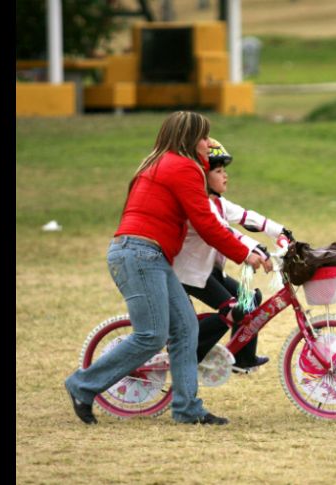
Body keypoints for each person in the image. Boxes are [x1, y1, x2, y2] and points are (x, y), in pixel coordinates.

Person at [64, 111, 269, 426]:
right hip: (141, 254)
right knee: (150, 335)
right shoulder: (183, 167)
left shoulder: (158, 162)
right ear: (190, 139)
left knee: (185, 329)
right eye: (203, 137)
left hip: (145, 254)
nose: (208, 143)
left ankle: (188, 409)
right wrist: (245, 254)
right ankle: (82, 385)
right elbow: (206, 224)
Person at [172, 138, 292, 373]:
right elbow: (227, 233)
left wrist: (281, 231)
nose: (225, 176)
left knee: (249, 300)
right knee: (233, 310)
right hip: (189, 273)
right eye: (218, 171)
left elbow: (248, 218)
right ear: (203, 176)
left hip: (208, 272)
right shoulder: (201, 204)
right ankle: (187, 357)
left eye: (224, 170)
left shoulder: (218, 202)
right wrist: (258, 251)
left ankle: (241, 359)